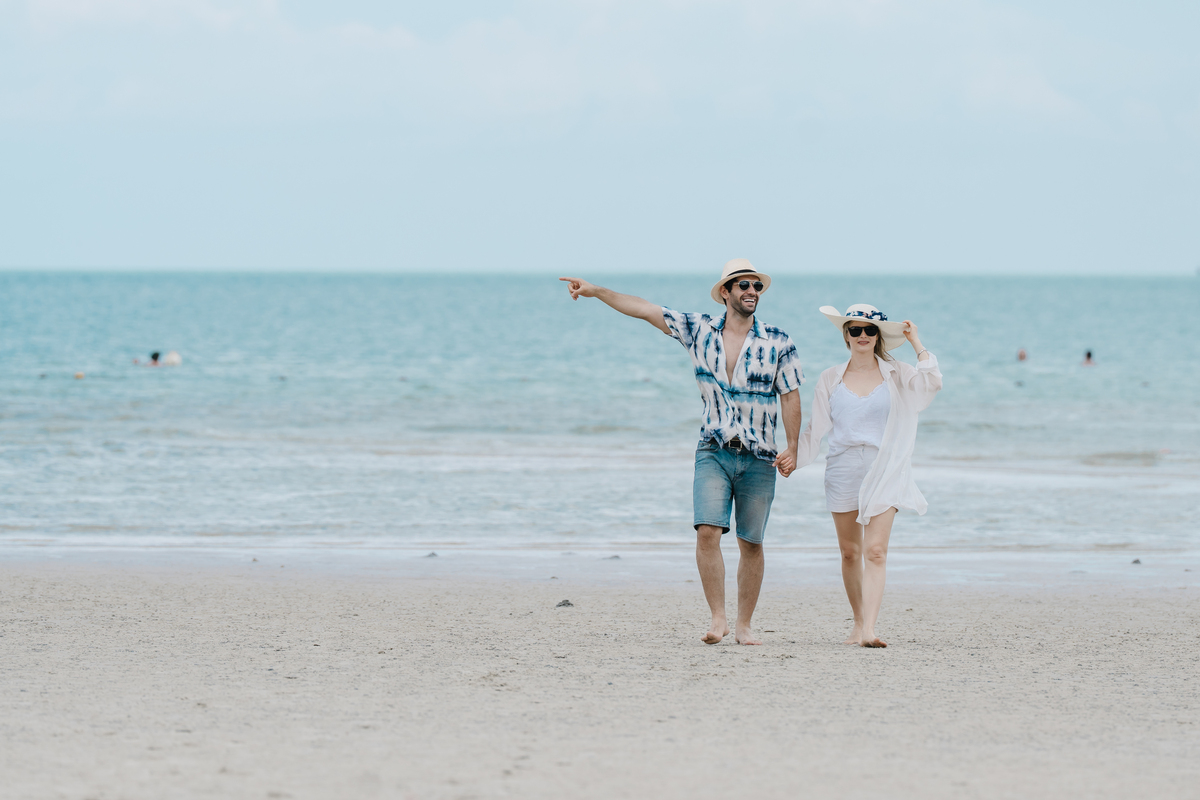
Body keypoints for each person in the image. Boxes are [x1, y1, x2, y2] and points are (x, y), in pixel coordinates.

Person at [560, 260, 804, 645]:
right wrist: (597, 292)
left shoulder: (779, 341)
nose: (752, 291)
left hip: (760, 455)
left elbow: (790, 395)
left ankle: (744, 625)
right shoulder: (698, 329)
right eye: (743, 285)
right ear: (726, 292)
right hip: (713, 449)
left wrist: (793, 447)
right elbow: (643, 308)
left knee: (751, 542)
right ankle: (718, 618)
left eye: (757, 285)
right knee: (707, 531)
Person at [794, 304, 942, 648]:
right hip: (842, 468)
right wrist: (792, 459)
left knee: (875, 551)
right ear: (845, 334)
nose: (862, 336)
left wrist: (916, 342)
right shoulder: (830, 378)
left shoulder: (897, 373)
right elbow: (815, 431)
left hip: (884, 467)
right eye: (855, 330)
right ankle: (858, 622)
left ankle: (870, 630)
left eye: (870, 330)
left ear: (879, 337)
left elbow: (932, 382)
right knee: (849, 552)